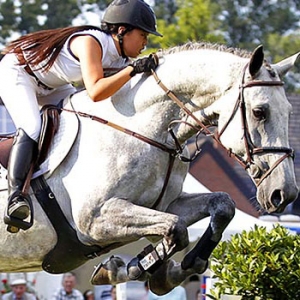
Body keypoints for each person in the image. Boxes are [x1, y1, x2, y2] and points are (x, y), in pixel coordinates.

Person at [0, 0, 161, 233]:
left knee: (79, 119)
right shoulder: (91, 42)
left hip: (53, 85)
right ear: (122, 30)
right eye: (143, 34)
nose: (146, 41)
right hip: (17, 73)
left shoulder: (121, 57)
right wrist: (133, 70)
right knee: (33, 127)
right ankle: (17, 198)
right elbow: (96, 91)